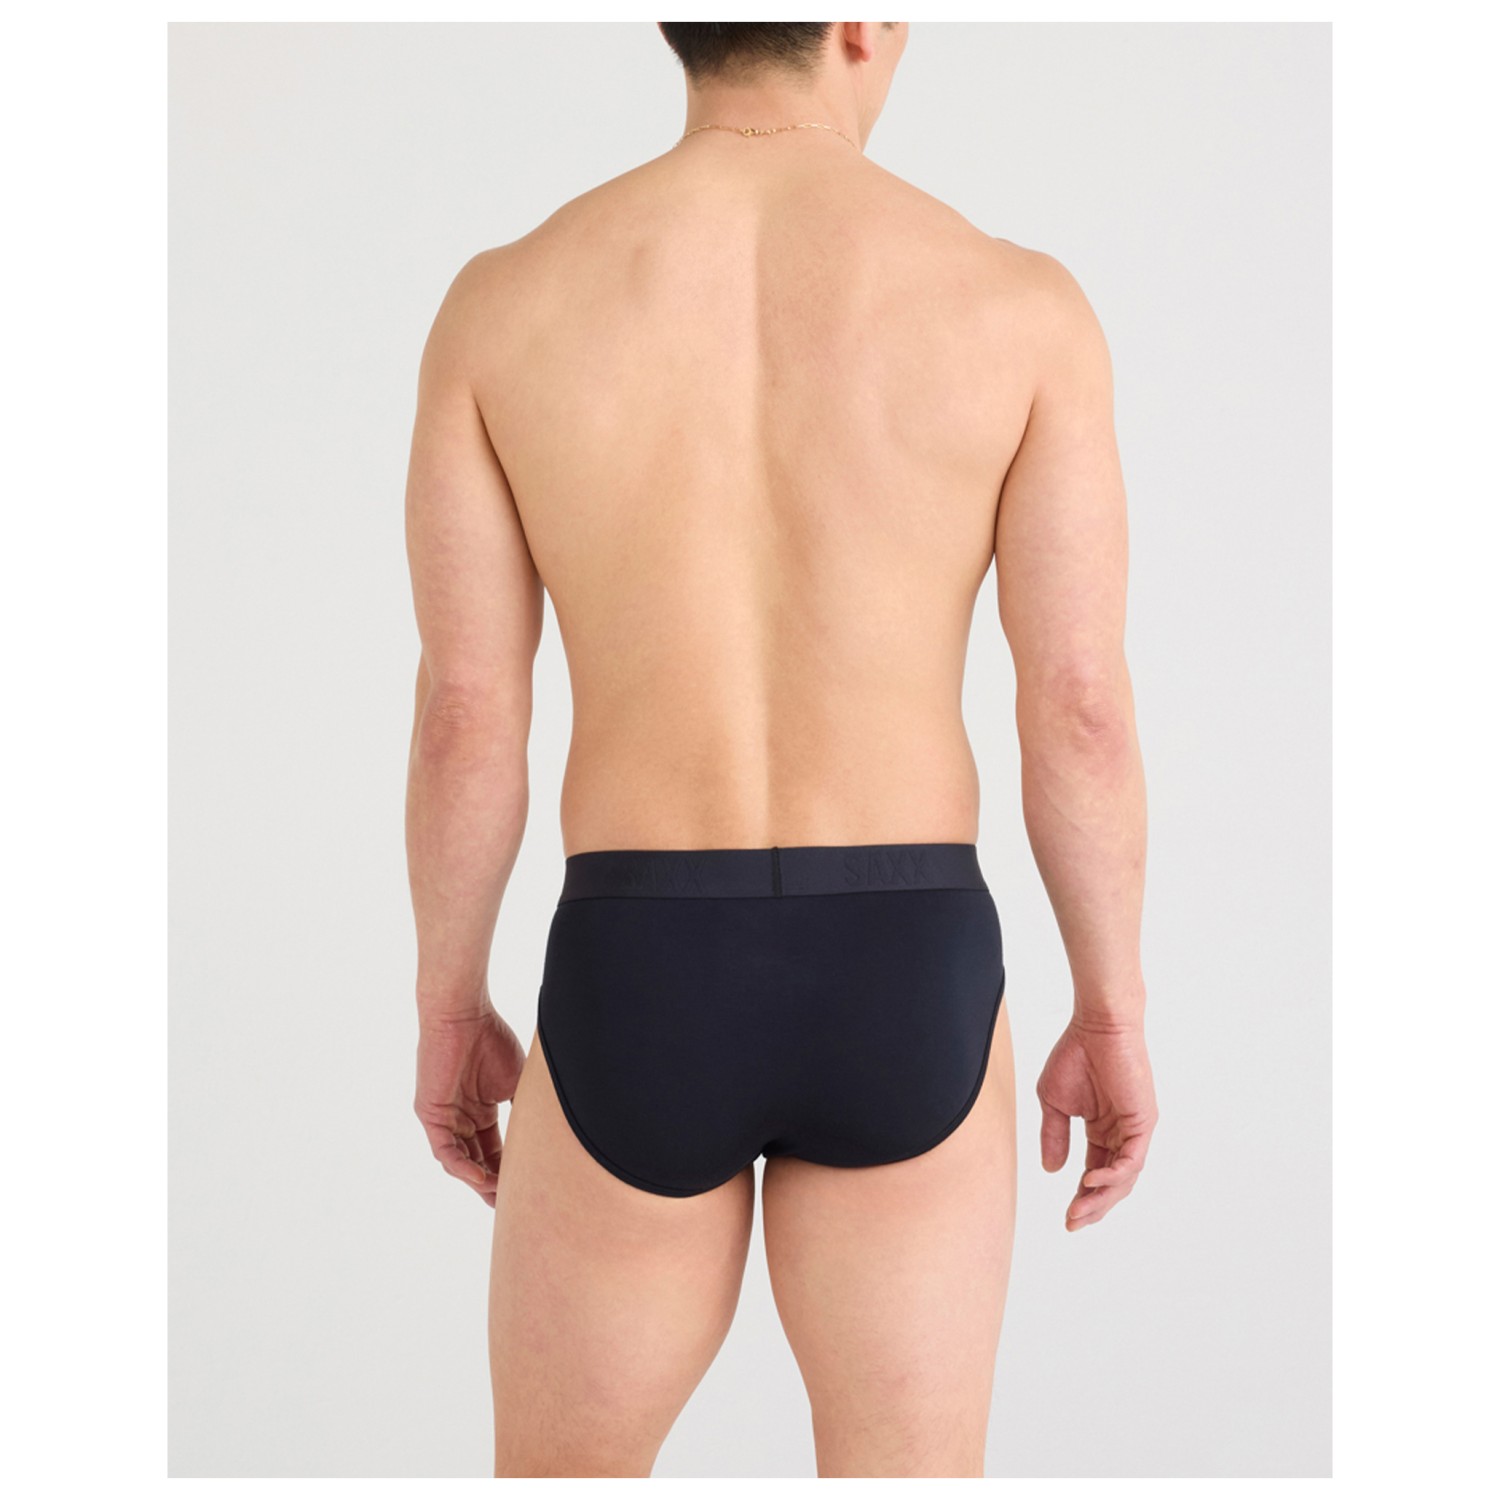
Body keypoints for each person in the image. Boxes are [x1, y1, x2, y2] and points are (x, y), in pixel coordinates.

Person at [403, 20, 1157, 1480]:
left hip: (636, 962)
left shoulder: (505, 306)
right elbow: (1080, 703)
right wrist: (1111, 1010)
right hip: (905, 961)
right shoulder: (1019, 307)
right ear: (859, 22)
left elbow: (467, 718)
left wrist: (450, 1002)